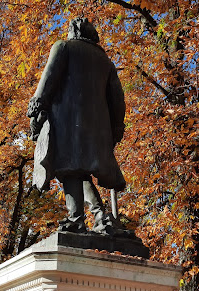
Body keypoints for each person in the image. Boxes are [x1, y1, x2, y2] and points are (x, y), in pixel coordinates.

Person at [28, 18, 127, 235]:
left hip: (66, 121)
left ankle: (77, 219)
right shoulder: (105, 61)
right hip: (97, 129)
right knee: (78, 171)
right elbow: (117, 98)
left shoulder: (63, 47)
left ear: (74, 31)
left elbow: (48, 81)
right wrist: (116, 127)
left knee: (69, 169)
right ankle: (99, 216)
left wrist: (35, 109)